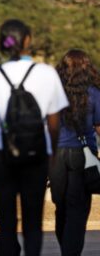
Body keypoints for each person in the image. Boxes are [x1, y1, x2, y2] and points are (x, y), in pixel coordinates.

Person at [0, 19, 69, 256]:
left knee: (7, 225)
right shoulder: (46, 74)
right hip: (36, 156)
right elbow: (54, 124)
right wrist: (52, 154)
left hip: (1, 158)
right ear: (27, 40)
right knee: (33, 223)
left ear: (2, 43)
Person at [49, 49, 100, 255]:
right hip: (83, 155)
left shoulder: (52, 93)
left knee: (61, 207)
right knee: (77, 210)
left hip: (55, 155)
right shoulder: (94, 93)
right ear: (86, 68)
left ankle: (66, 249)